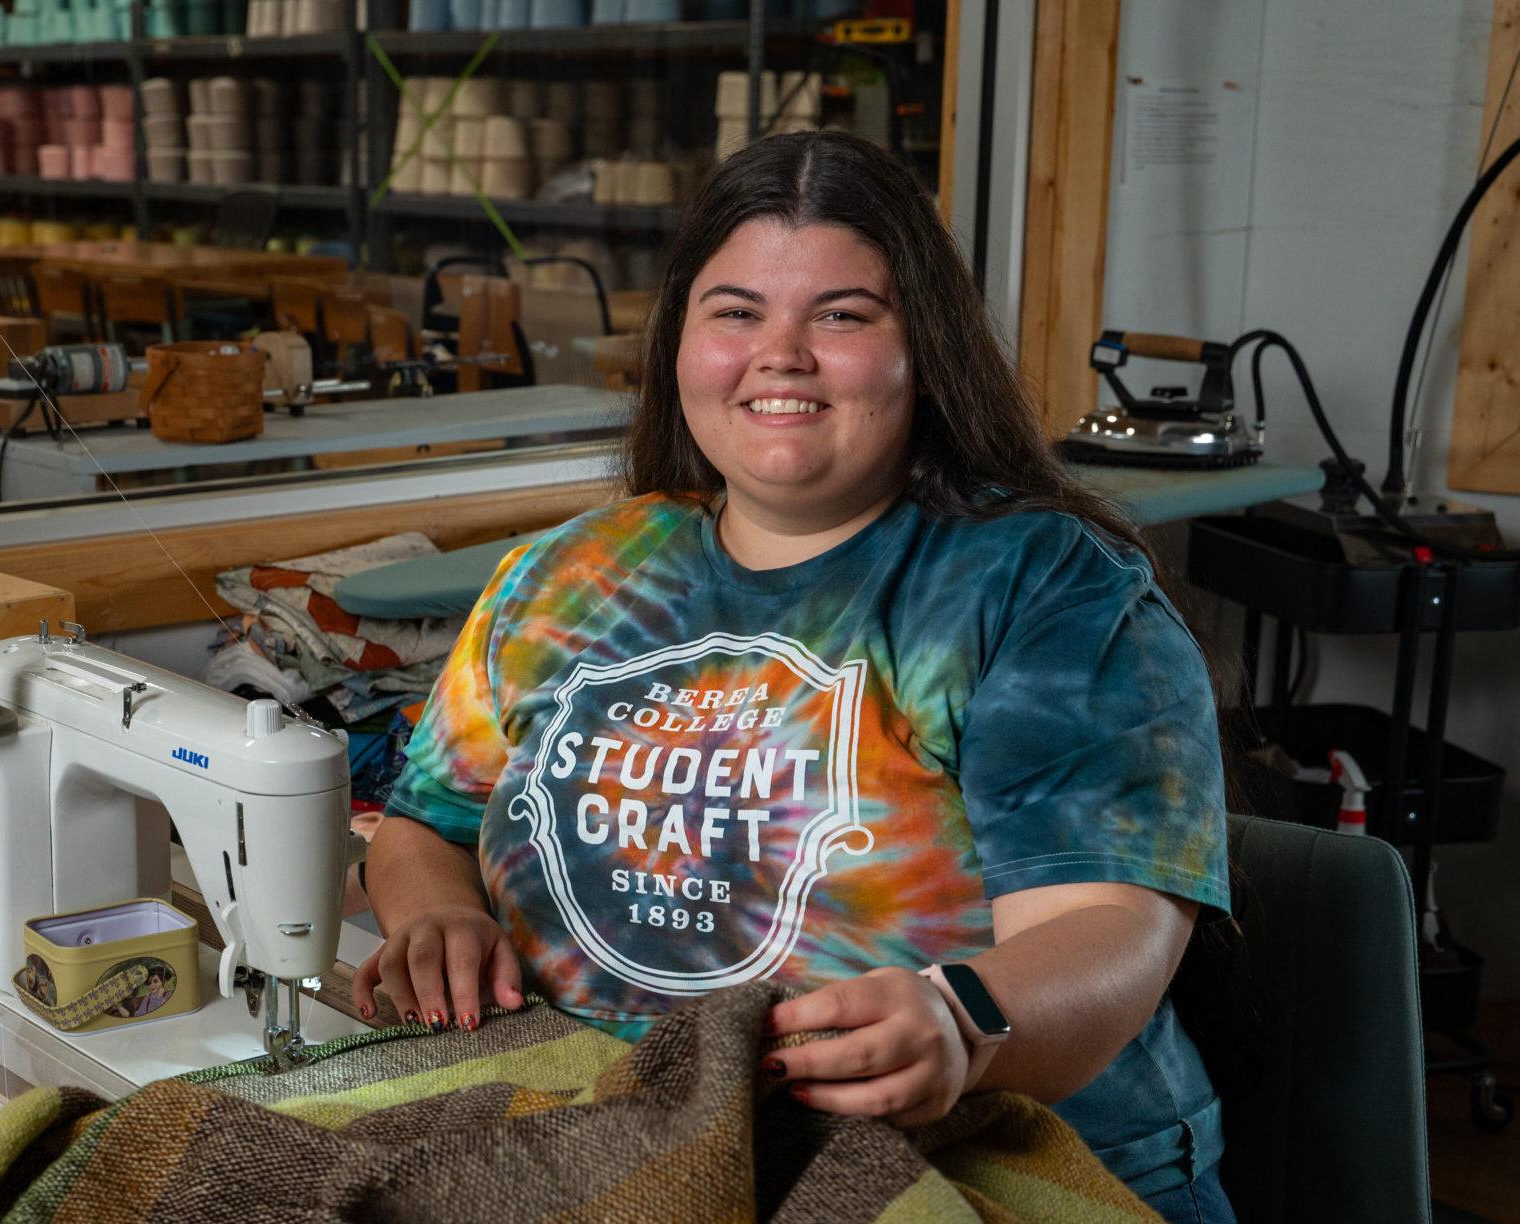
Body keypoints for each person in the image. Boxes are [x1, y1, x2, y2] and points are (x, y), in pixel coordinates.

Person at [355, 130, 1234, 1223]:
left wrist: (959, 1019)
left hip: (996, 1169)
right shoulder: (565, 576)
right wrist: (441, 922)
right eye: (734, 312)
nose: (781, 353)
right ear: (679, 342)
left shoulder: (1043, 592)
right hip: (627, 1144)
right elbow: (423, 824)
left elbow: (1112, 929)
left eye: (842, 315)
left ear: (926, 346)